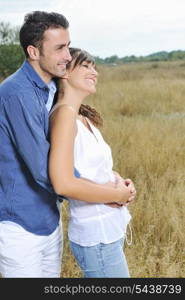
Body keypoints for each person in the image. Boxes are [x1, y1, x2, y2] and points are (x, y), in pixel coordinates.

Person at [0, 11, 135, 278]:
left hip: (49, 219)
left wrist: (112, 180)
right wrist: (111, 193)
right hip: (21, 227)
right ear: (33, 52)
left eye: (67, 45)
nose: (67, 56)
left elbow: (73, 160)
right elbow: (46, 171)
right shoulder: (18, 94)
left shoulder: (48, 89)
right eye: (60, 48)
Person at [49, 48, 136, 278]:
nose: (94, 72)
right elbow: (65, 182)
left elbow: (93, 169)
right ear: (65, 72)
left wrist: (121, 182)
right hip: (96, 235)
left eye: (94, 66)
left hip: (108, 231)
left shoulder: (83, 118)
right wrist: (116, 195)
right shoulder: (64, 116)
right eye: (85, 66)